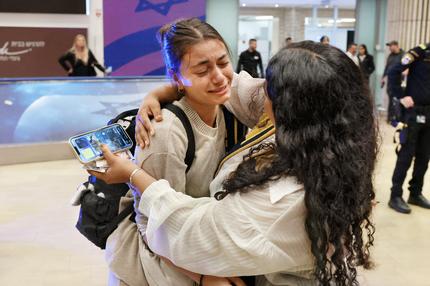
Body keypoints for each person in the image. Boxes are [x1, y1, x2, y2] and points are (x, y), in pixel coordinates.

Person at [91, 41, 377, 286]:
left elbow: (190, 234)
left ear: (288, 108)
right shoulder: (334, 140)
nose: (218, 79)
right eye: (202, 69)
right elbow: (236, 85)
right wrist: (161, 92)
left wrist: (133, 174)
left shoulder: (281, 202)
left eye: (268, 91)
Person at [105, 18, 266, 286]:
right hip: (156, 261)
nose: (218, 77)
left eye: (223, 63)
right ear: (176, 76)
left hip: (198, 241)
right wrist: (206, 276)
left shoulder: (229, 107)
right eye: (202, 71)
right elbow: (155, 223)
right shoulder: (165, 133)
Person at [388, 43, 430, 214]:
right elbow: (393, 71)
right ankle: (395, 195)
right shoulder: (420, 52)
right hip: (413, 113)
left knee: (424, 156)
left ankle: (415, 193)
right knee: (406, 155)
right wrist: (402, 96)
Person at [381, 40, 405, 122]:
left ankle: (398, 118)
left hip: (399, 82)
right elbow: (387, 67)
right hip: (390, 82)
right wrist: (383, 77)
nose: (389, 48)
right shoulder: (390, 55)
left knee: (398, 100)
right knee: (391, 100)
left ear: (396, 45)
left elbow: (405, 68)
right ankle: (390, 118)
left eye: (390, 46)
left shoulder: (403, 55)